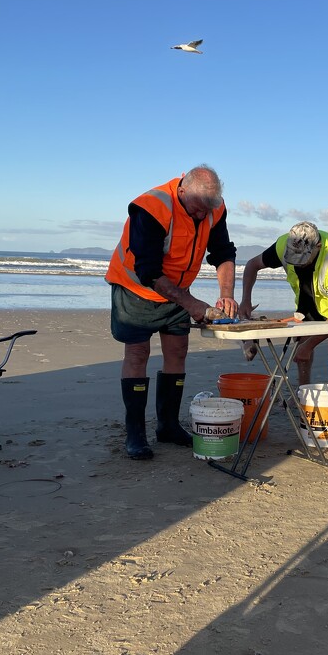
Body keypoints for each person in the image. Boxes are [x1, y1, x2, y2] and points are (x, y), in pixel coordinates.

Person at [105, 165, 238, 460]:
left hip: (177, 289)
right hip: (136, 289)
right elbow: (148, 270)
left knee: (177, 352)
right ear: (182, 191)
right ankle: (136, 434)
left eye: (208, 210)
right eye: (197, 209)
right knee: (137, 355)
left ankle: (167, 426)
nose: (202, 216)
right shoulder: (150, 207)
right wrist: (191, 304)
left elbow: (223, 252)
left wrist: (226, 294)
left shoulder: (213, 208)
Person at [239, 221, 328, 387]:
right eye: (293, 258)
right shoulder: (285, 244)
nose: (297, 263)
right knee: (303, 334)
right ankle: (302, 392)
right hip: (317, 289)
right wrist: (245, 301)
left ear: (318, 247)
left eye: (302, 258)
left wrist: (307, 347)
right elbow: (252, 265)